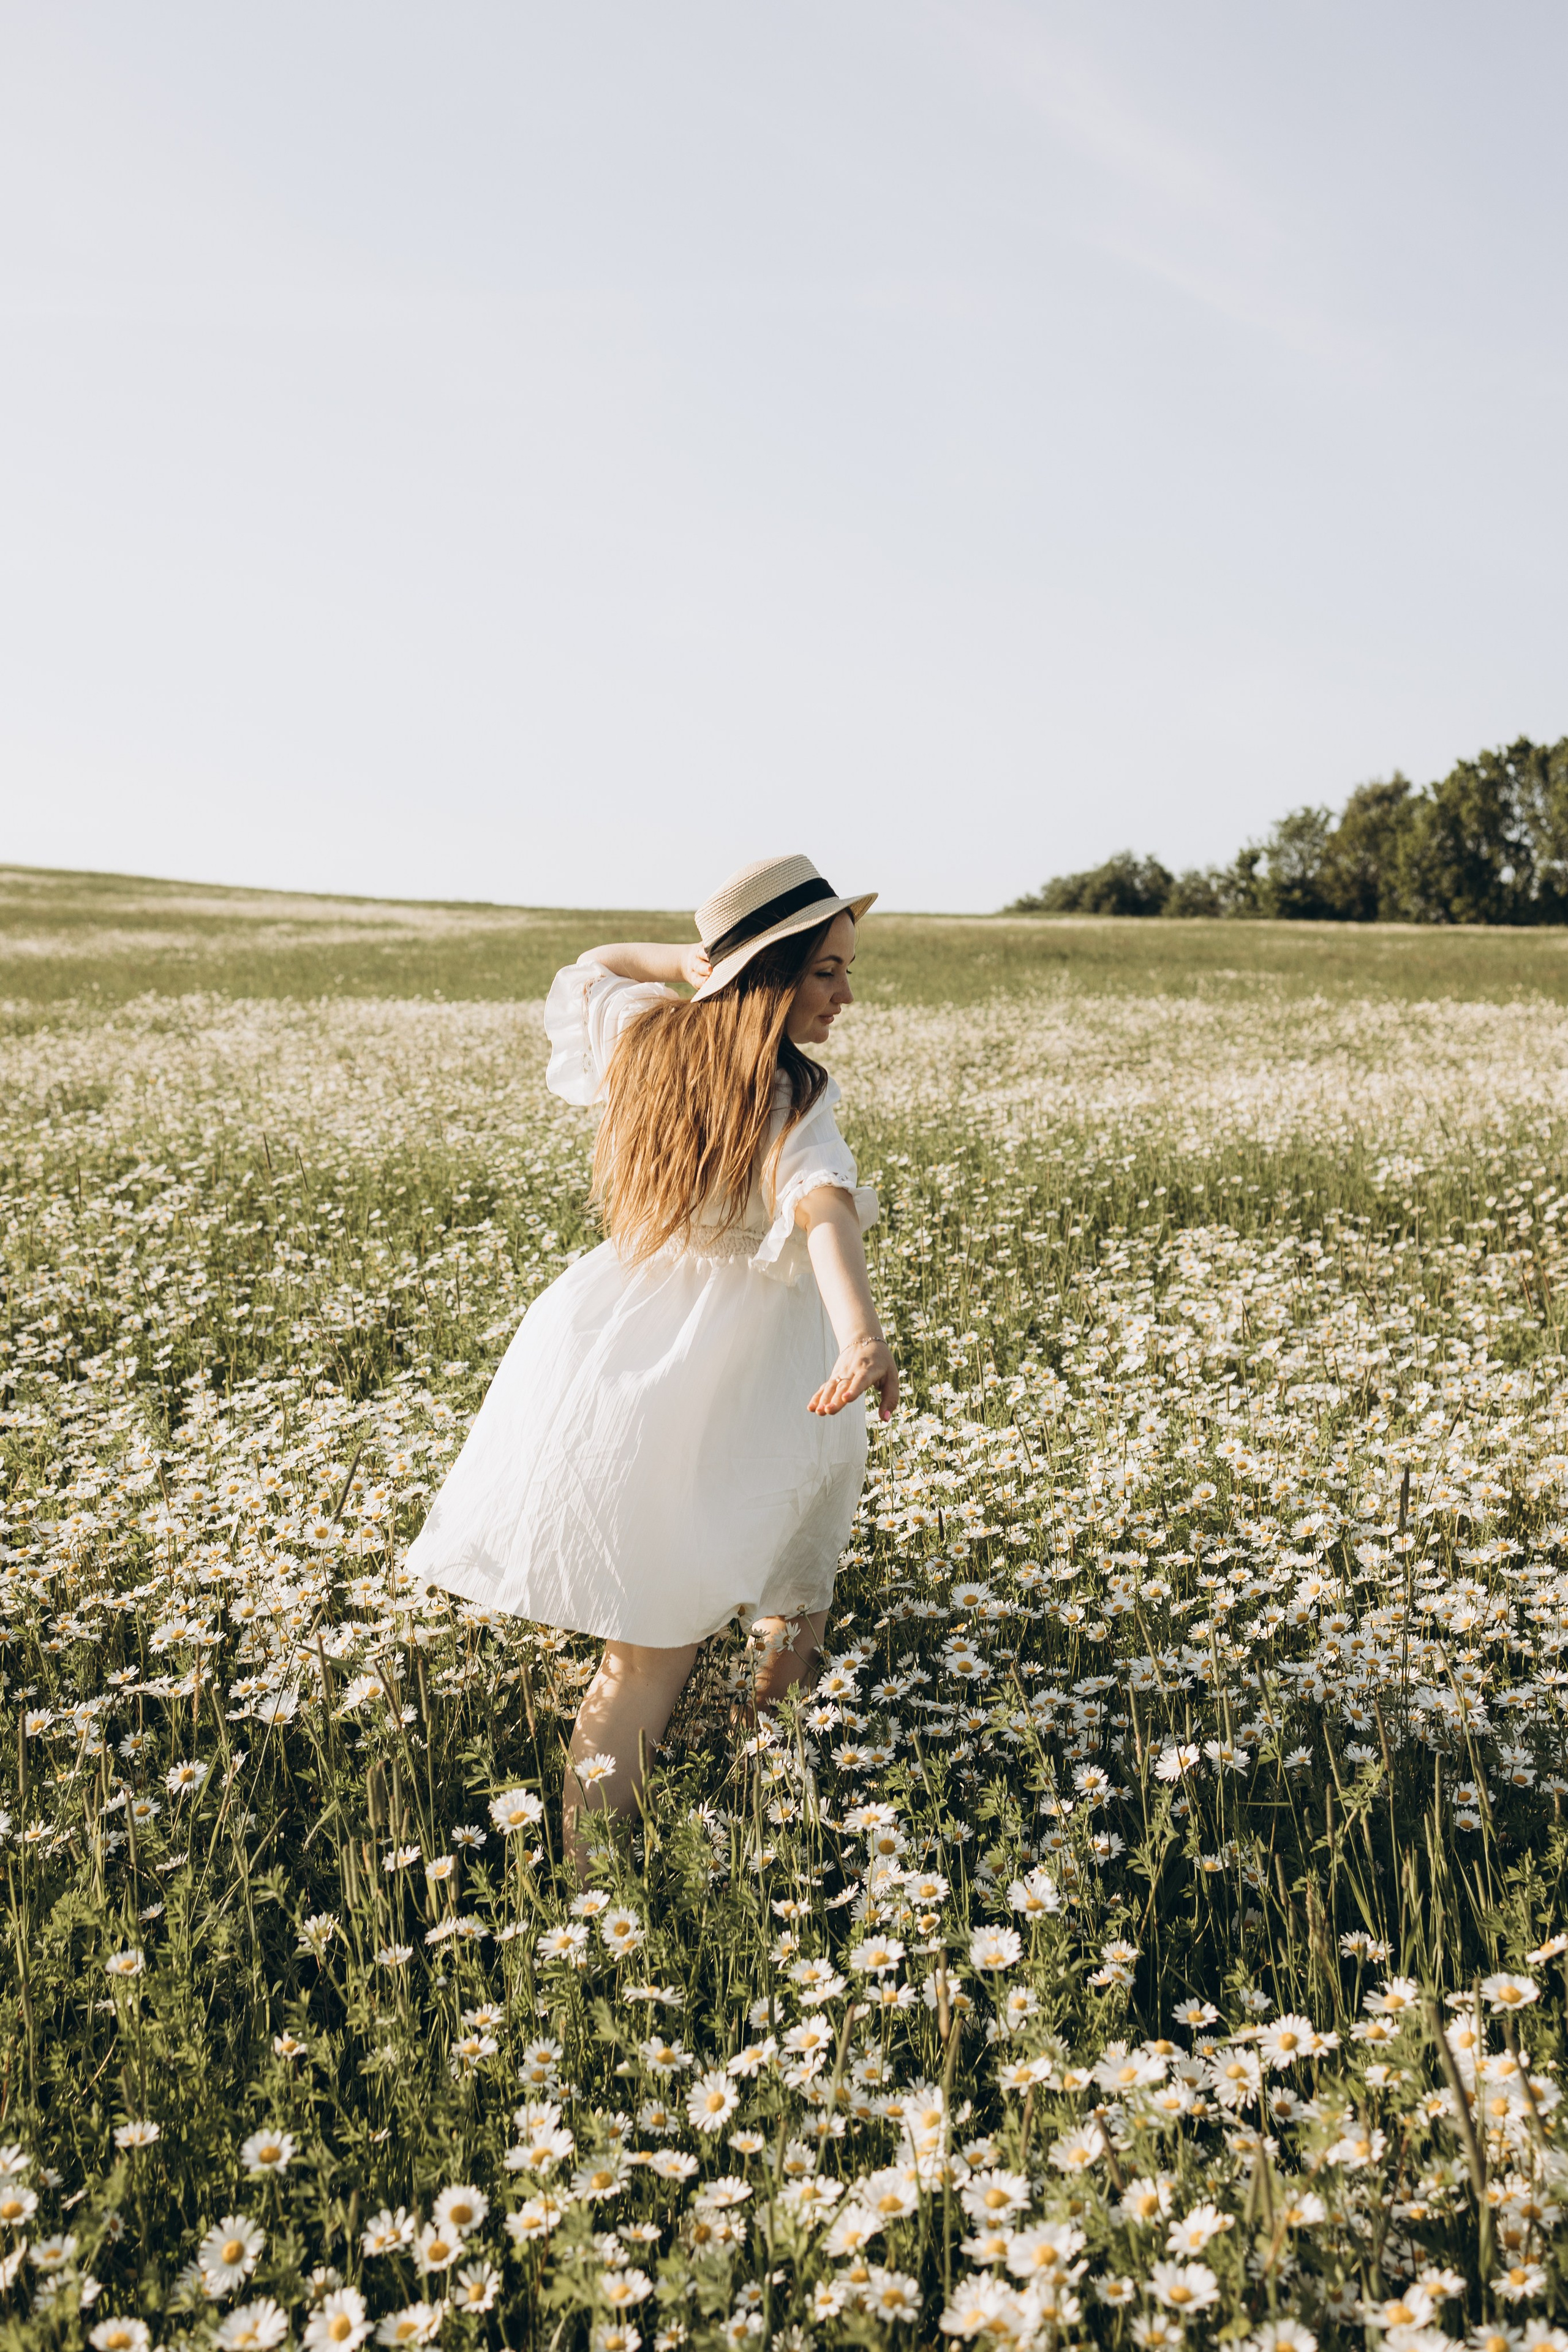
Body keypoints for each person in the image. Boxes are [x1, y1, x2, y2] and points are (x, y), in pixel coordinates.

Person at [405, 853, 899, 1863]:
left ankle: (592, 1880)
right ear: (767, 977)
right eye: (825, 972)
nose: (847, 993)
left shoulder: (646, 1040)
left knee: (646, 1652)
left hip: (620, 1355)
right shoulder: (793, 1091)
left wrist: (688, 962)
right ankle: (773, 1798)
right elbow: (821, 1211)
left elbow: (592, 963)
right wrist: (859, 1333)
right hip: (762, 1381)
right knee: (796, 1598)